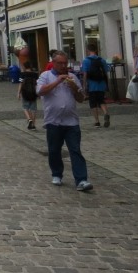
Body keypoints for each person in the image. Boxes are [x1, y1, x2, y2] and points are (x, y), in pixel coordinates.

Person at [36, 51, 92, 191]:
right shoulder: (45, 76)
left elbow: (81, 99)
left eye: (64, 63)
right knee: (54, 150)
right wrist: (57, 81)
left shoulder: (72, 77)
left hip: (71, 121)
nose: (63, 66)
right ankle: (57, 174)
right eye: (59, 63)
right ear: (53, 63)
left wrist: (74, 88)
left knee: (75, 150)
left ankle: (81, 180)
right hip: (53, 121)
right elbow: (40, 92)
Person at [81, 42, 111, 128]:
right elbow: (105, 72)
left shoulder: (86, 60)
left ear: (88, 50)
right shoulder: (102, 60)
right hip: (101, 84)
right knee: (101, 100)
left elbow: (85, 74)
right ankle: (106, 113)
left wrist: (84, 85)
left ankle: (97, 122)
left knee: (93, 103)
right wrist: (106, 83)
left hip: (92, 85)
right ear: (96, 50)